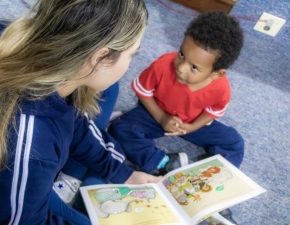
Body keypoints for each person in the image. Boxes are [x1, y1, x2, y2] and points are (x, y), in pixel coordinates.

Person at [0, 0, 162, 224]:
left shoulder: (60, 69)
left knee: (109, 90)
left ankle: (67, 181)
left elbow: (75, 124)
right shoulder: (32, 146)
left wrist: (125, 174)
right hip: (19, 189)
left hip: (29, 173)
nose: (130, 63)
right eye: (132, 55)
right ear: (101, 56)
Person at [108, 11, 244, 176]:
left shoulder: (221, 87)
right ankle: (162, 162)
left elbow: (213, 111)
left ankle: (218, 177)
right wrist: (162, 118)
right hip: (155, 113)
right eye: (181, 54)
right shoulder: (163, 65)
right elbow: (143, 92)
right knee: (121, 127)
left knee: (234, 142)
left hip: (191, 122)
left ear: (216, 73)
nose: (181, 67)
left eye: (194, 67)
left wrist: (192, 127)